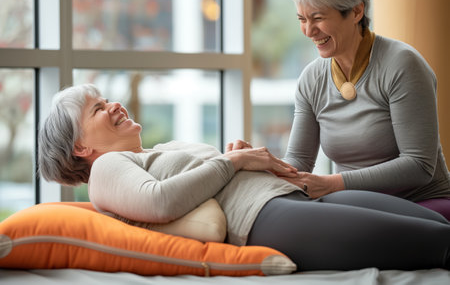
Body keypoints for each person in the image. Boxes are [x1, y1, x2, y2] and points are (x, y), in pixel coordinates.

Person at [38, 83, 450, 271]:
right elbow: (159, 202)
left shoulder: (158, 150)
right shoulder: (106, 169)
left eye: (106, 98)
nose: (113, 105)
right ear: (80, 149)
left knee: (437, 224)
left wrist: (235, 158)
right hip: (265, 219)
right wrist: (232, 164)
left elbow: (206, 180)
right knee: (439, 243)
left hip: (292, 196)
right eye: (96, 109)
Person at [231, 0, 450, 219]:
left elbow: (419, 165)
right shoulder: (311, 79)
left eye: (318, 18)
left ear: (357, 11)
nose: (309, 30)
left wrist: (333, 183)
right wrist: (261, 165)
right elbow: (299, 162)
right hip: (356, 205)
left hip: (423, 205)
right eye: (302, 19)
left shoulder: (402, 64)